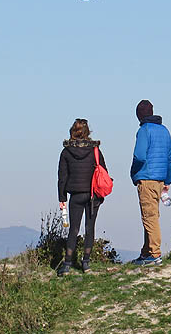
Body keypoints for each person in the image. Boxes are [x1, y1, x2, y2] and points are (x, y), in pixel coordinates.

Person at [57, 118, 108, 276]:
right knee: (89, 228)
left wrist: (62, 198)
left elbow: (62, 177)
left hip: (75, 195)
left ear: (72, 131)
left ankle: (67, 264)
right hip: (92, 195)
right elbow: (104, 170)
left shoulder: (66, 152)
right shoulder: (95, 151)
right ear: (87, 132)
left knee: (73, 229)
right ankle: (86, 263)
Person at [129, 100, 171, 265]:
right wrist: (168, 180)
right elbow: (170, 158)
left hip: (147, 179)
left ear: (139, 115)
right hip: (160, 180)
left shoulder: (144, 130)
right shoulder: (164, 130)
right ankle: (146, 252)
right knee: (152, 216)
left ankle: (154, 254)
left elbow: (139, 155)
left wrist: (133, 172)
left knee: (149, 217)